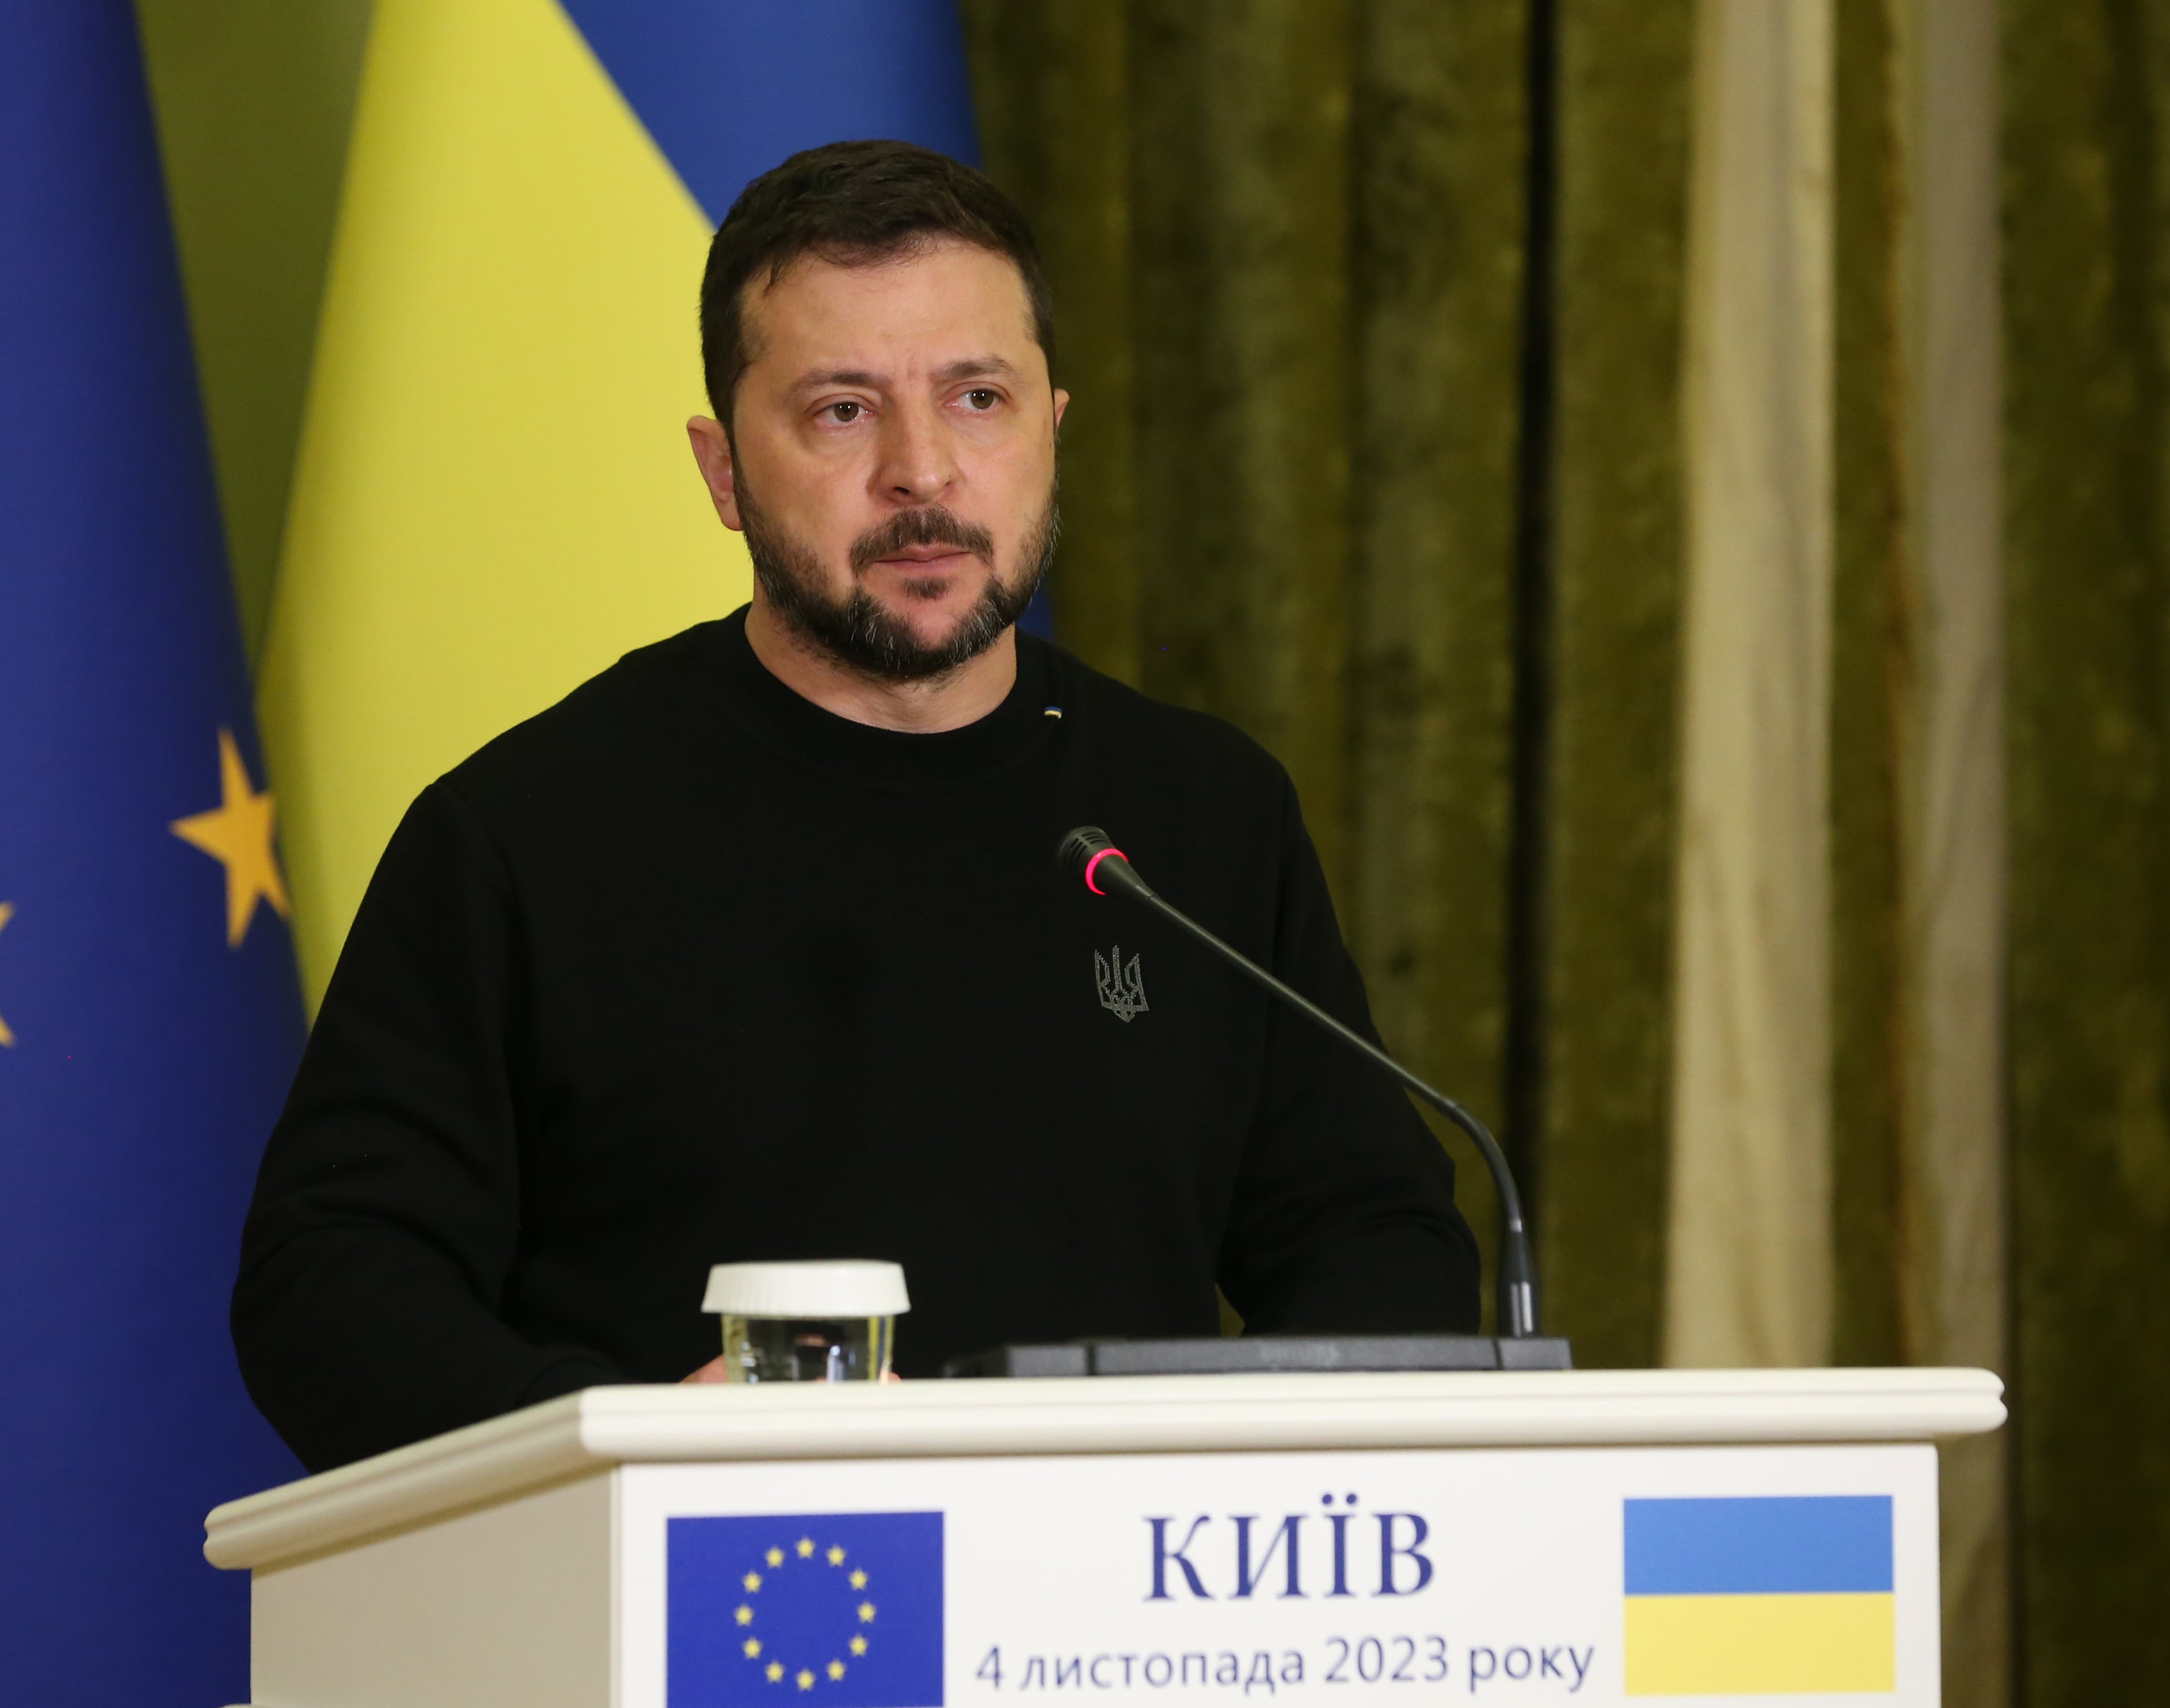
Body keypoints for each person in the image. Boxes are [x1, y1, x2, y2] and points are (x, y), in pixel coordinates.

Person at [233, 140, 1479, 1473]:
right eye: (841, 410)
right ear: (723, 474)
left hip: (1123, 1618)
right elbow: (332, 1289)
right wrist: (619, 1446)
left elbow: (1374, 1236)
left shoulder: (1195, 815)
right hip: (693, 1612)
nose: (924, 473)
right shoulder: (525, 835)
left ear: (1052, 431)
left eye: (979, 399)